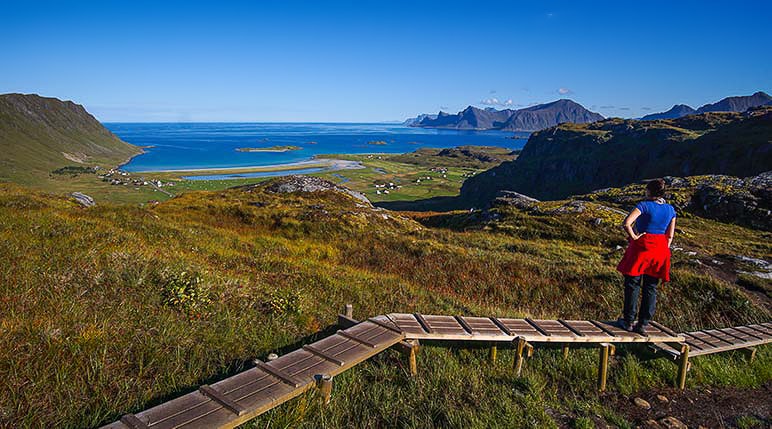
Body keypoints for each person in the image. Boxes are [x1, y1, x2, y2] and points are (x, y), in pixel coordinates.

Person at [616, 178, 676, 334]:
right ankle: (643, 324)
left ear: (649, 191)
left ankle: (628, 321)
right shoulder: (671, 210)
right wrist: (663, 248)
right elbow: (670, 236)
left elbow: (627, 223)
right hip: (660, 249)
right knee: (651, 286)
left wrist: (635, 238)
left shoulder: (643, 206)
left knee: (632, 283)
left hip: (642, 247)